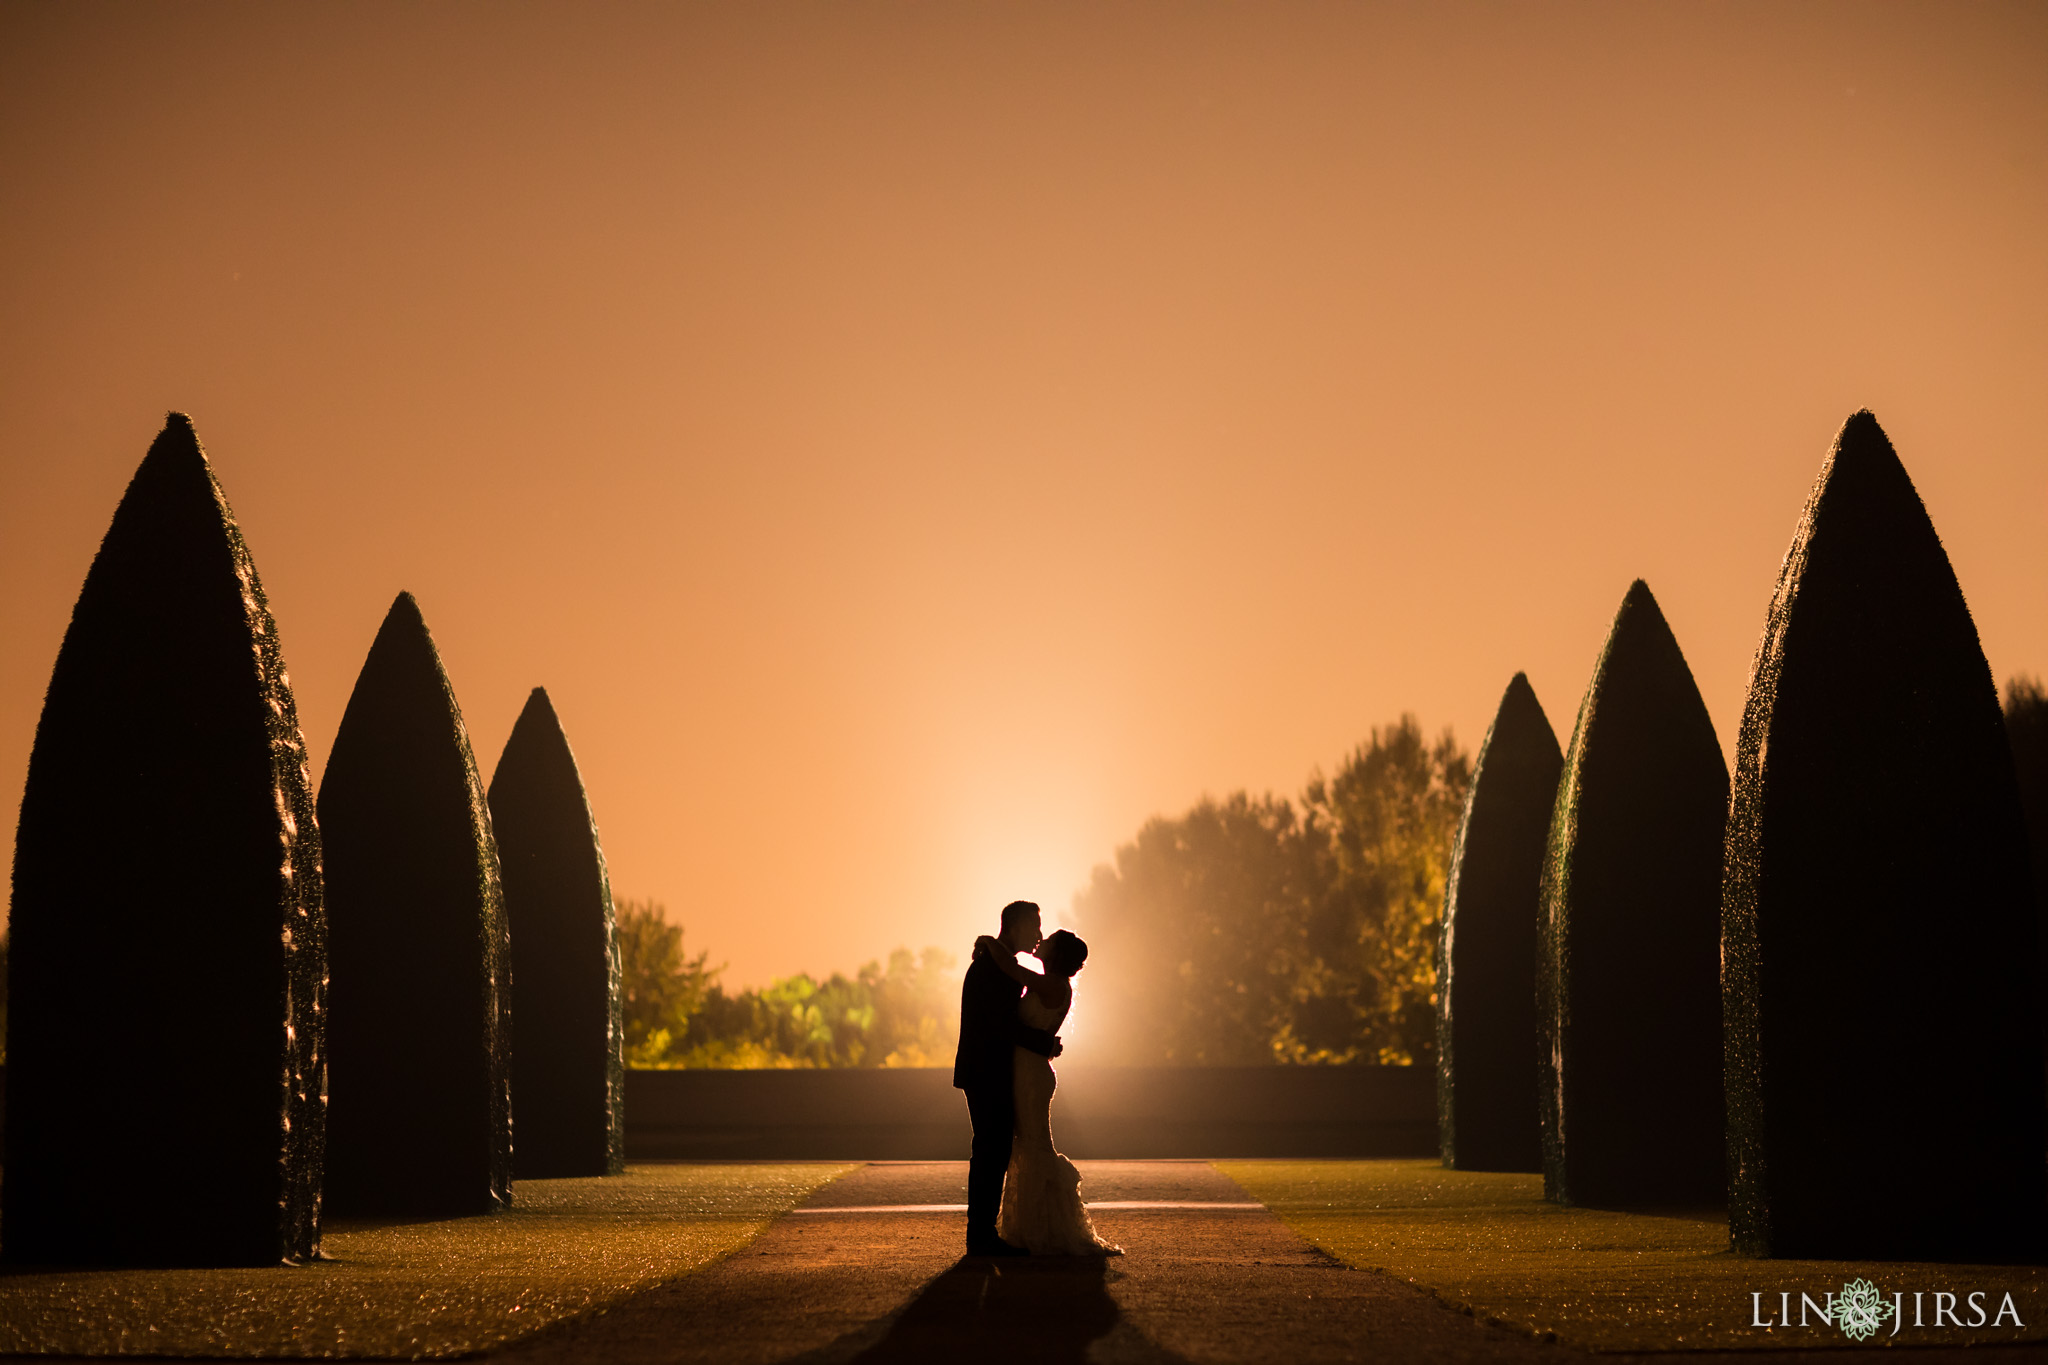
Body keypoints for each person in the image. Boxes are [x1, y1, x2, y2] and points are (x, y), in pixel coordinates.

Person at [973, 926, 1123, 1256]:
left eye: (1048, 940)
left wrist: (988, 941)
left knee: (1034, 1145)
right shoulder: (1054, 984)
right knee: (1032, 1143)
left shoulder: (1052, 984)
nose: (1041, 941)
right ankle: (1039, 1224)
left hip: (1030, 1074)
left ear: (1055, 954)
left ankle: (1043, 1228)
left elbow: (1010, 969)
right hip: (1029, 1070)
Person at [952, 900, 1063, 1257]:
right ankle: (981, 1236)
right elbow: (1002, 1026)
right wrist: (1043, 1041)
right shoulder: (995, 969)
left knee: (992, 1148)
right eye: (1033, 927)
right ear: (1014, 926)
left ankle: (982, 1233)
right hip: (987, 1070)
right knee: (991, 1149)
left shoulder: (996, 964)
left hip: (983, 1069)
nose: (1038, 936)